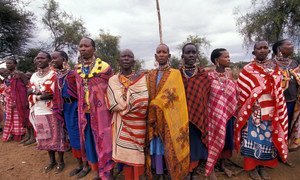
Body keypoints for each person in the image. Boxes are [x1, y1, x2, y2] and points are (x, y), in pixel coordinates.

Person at [235, 41, 288, 180]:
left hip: (271, 110)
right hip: (253, 111)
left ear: (269, 51)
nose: (263, 50)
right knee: (251, 139)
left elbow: (279, 89)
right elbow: (242, 91)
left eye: (265, 48)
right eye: (259, 48)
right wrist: (253, 101)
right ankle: (252, 168)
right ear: (254, 52)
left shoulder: (275, 68)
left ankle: (262, 167)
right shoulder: (247, 69)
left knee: (268, 141)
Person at [146, 43, 190, 179]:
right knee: (158, 145)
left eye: (164, 52)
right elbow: (148, 95)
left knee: (171, 142)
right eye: (158, 52)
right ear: (155, 56)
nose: (161, 54)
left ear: (169, 55)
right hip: (154, 116)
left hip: (170, 116)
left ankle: (172, 170)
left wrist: (160, 104)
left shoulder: (175, 74)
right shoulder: (151, 75)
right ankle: (159, 171)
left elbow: (178, 97)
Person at [75, 37, 114, 180]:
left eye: (86, 46)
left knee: (105, 142)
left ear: (94, 48)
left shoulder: (105, 67)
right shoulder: (77, 69)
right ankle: (98, 171)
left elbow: (112, 90)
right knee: (90, 142)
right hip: (85, 114)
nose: (83, 49)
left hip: (102, 114)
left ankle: (109, 172)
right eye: (81, 46)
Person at [106, 49, 148, 180]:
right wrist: (128, 105)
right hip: (121, 122)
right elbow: (115, 103)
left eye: (129, 56)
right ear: (118, 61)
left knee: (139, 151)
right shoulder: (113, 80)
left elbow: (144, 100)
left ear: (134, 61)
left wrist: (128, 105)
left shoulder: (142, 79)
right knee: (126, 152)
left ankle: (139, 177)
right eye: (123, 56)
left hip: (139, 122)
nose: (126, 59)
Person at [51, 50, 90, 176]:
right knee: (72, 137)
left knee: (80, 136)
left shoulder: (73, 74)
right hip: (66, 108)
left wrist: (81, 108)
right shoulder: (58, 76)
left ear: (64, 60)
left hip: (76, 107)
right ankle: (79, 164)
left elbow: (82, 93)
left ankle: (86, 165)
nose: (52, 61)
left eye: (55, 58)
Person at [28, 51, 66, 173]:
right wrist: (39, 94)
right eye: (37, 58)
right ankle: (52, 161)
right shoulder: (34, 76)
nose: (39, 60)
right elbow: (29, 90)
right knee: (45, 137)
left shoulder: (54, 74)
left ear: (49, 60)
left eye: (42, 58)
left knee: (57, 137)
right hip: (39, 111)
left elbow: (52, 94)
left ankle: (61, 161)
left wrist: (37, 95)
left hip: (52, 110)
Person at [179, 43, 212, 179]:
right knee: (182, 144)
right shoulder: (176, 75)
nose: (191, 55)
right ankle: (186, 170)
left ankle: (193, 170)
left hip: (198, 117)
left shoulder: (203, 76)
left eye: (193, 52)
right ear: (182, 56)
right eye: (188, 52)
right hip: (180, 118)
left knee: (196, 144)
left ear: (197, 55)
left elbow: (206, 96)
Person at [206, 48, 238, 178]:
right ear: (216, 60)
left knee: (226, 139)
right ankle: (211, 165)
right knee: (213, 139)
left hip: (228, 114)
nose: (228, 59)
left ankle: (223, 164)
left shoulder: (229, 76)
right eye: (225, 57)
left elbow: (234, 94)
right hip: (213, 116)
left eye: (229, 56)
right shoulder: (208, 77)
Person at [272, 40, 299, 153]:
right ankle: (273, 151)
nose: (291, 46)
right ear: (279, 48)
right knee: (276, 127)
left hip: (292, 101)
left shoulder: (295, 63)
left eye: (292, 44)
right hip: (276, 102)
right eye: (288, 44)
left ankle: (283, 152)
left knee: (288, 127)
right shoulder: (271, 64)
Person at [2, 56, 28, 142]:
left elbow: (25, 86)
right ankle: (12, 133)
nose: (8, 65)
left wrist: (16, 100)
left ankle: (20, 135)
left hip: (18, 99)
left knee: (19, 117)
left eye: (10, 63)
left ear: (15, 64)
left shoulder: (19, 74)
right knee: (10, 118)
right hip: (9, 100)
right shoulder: (7, 75)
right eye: (7, 63)